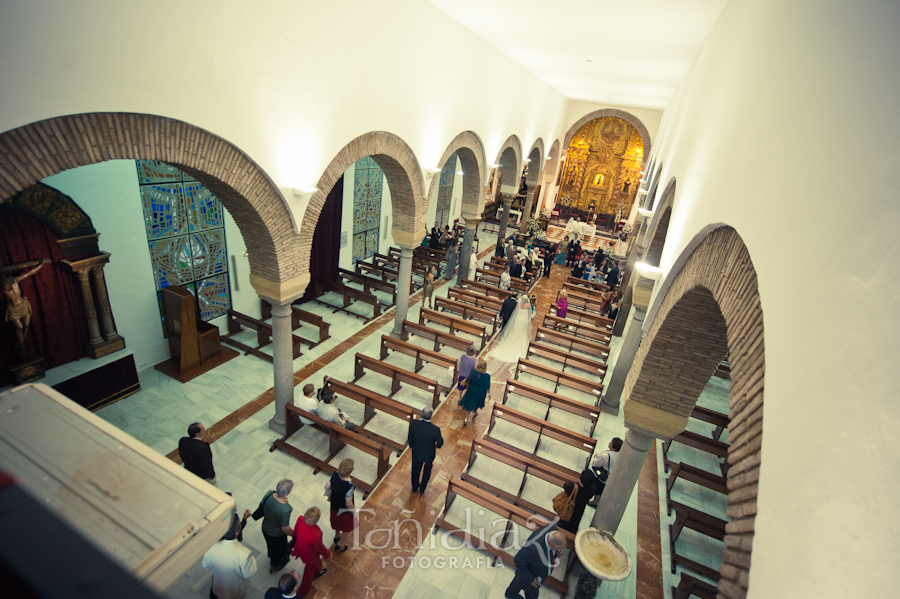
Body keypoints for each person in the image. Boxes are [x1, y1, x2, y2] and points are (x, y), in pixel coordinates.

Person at [202, 513, 257, 599]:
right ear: (236, 532)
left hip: (217, 586)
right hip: (234, 591)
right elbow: (248, 574)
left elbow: (205, 566)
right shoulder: (245, 554)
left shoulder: (211, 547)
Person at [505, 526, 566, 599]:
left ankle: (510, 593)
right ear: (552, 546)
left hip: (526, 572)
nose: (560, 550)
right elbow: (518, 560)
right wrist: (531, 579)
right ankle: (510, 593)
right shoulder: (533, 549)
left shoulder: (553, 529)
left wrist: (559, 550)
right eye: (558, 548)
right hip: (531, 577)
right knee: (531, 593)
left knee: (517, 582)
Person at [1, 258, 50, 349]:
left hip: (22, 305)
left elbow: (29, 273)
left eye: (8, 284)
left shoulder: (15, 281)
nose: (7, 286)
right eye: (5, 286)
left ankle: (21, 341)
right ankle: (21, 344)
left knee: (26, 325)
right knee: (19, 327)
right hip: (13, 309)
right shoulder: (2, 289)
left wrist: (40, 265)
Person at [290, 506, 330, 597]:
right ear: (316, 520)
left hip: (299, 548)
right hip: (310, 555)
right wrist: (327, 554)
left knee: (316, 564)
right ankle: (302, 592)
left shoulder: (300, 519)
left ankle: (317, 572)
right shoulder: (316, 533)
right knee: (308, 573)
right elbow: (320, 547)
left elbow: (294, 532)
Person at [487, 294, 533, 372]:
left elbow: (515, 313)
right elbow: (529, 314)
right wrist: (529, 321)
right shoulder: (528, 305)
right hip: (524, 319)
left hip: (518, 319)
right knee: (522, 332)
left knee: (515, 331)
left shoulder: (518, 303)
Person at [261, 479, 295, 572]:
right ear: (287, 493)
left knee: (271, 547)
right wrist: (294, 534)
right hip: (276, 535)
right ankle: (274, 566)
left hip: (265, 527)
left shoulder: (269, 493)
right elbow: (285, 528)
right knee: (278, 552)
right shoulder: (286, 509)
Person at [408, 407, 444, 494]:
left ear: (421, 414)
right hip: (429, 454)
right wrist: (436, 446)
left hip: (417, 452)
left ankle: (414, 487)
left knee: (415, 470)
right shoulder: (435, 429)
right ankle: (422, 488)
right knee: (427, 471)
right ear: (431, 416)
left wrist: (412, 446)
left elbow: (410, 436)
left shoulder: (415, 423)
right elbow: (440, 443)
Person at [325, 458, 358, 552]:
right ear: (349, 472)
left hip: (334, 506)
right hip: (344, 512)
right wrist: (354, 512)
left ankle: (337, 535)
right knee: (347, 528)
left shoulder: (334, 474)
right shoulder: (349, 486)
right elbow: (348, 503)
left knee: (336, 523)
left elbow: (328, 486)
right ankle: (340, 544)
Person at [557, 469, 597, 535]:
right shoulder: (592, 489)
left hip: (569, 508)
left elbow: (565, 485)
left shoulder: (573, 487)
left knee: (564, 521)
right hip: (579, 510)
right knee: (575, 523)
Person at [587, 437, 623, 507]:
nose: (609, 443)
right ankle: (597, 499)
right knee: (600, 489)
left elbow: (595, 464)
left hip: (602, 476)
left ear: (613, 447)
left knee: (597, 488)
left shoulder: (605, 456)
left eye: (611, 443)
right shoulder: (619, 455)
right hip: (611, 476)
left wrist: (595, 457)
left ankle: (595, 502)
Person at [458, 359, 490, 426]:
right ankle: (474, 411)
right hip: (480, 393)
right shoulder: (487, 376)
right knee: (476, 402)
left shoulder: (473, 372)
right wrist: (489, 394)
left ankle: (466, 418)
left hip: (471, 390)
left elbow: (468, 380)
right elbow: (487, 387)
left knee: (468, 404)